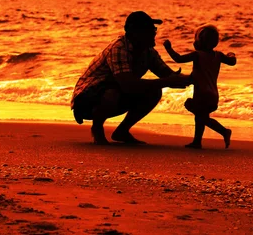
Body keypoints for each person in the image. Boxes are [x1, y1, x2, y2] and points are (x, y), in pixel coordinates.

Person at [71, 11, 192, 145]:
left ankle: (122, 131)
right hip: (86, 101)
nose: (154, 32)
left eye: (154, 29)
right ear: (134, 33)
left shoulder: (149, 52)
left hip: (114, 93)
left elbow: (167, 75)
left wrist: (194, 78)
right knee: (112, 93)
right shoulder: (118, 48)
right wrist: (168, 81)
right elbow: (128, 84)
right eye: (149, 29)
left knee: (154, 91)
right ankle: (97, 129)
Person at [163, 24, 236, 149]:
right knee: (200, 117)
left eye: (196, 39)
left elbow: (178, 59)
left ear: (200, 42)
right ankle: (197, 141)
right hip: (213, 95)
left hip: (202, 94)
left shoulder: (197, 55)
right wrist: (231, 54)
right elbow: (232, 61)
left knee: (196, 112)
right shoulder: (218, 55)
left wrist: (168, 48)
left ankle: (224, 131)